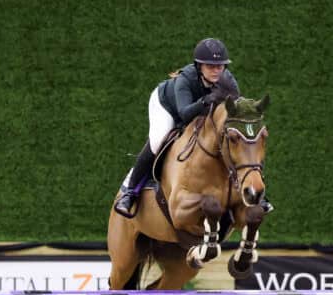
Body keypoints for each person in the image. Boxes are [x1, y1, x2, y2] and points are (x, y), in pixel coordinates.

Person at [116, 38, 272, 215]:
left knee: (242, 142)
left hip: (198, 113)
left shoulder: (227, 80)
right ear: (199, 66)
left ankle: (259, 191)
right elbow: (184, 114)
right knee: (158, 140)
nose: (216, 70)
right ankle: (129, 193)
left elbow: (234, 113)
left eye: (220, 66)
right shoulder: (185, 79)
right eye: (210, 66)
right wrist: (206, 100)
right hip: (167, 107)